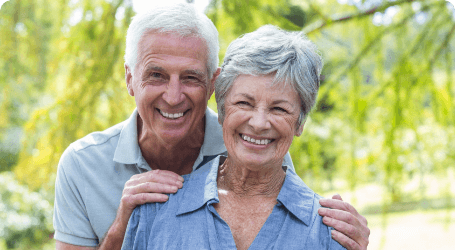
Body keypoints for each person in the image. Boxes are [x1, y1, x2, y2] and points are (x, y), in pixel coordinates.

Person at [53, 3, 369, 250]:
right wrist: (124, 225)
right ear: (129, 79)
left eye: (190, 77)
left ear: (213, 87)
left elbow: (289, 220)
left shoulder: (258, 149)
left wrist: (346, 236)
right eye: (157, 75)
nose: (173, 96)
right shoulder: (82, 164)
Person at [121, 24, 355, 250]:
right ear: (222, 111)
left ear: (300, 122)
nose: (259, 123)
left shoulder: (332, 233)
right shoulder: (152, 212)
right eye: (244, 103)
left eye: (279, 109)